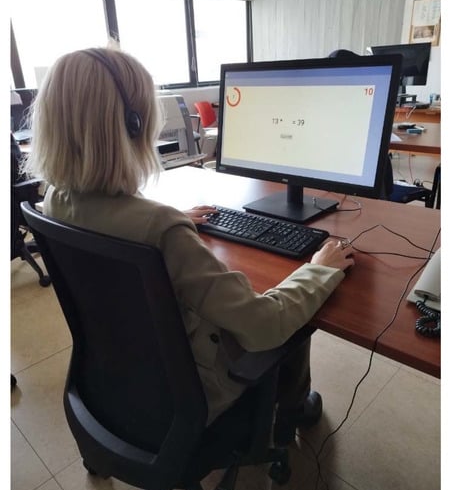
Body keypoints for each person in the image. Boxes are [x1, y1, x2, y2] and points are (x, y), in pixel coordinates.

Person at [23, 46, 354, 445]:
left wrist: (161, 220)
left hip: (114, 381)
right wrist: (320, 269)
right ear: (132, 126)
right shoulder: (160, 230)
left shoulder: (55, 201)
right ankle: (293, 410)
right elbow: (263, 326)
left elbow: (112, 226)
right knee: (294, 316)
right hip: (192, 400)